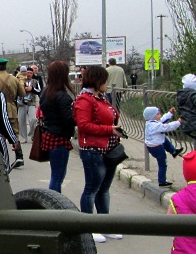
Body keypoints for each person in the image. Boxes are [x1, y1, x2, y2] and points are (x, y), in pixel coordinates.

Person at [72, 64, 123, 243]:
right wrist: (109, 129)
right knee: (92, 189)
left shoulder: (99, 97)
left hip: (107, 149)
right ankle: (88, 227)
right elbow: (83, 125)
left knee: (103, 189)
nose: (107, 84)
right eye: (105, 80)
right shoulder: (84, 100)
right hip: (92, 149)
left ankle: (104, 225)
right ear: (97, 80)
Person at [39, 61, 75, 193]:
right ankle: (54, 203)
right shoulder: (62, 96)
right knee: (58, 176)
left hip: (49, 134)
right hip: (60, 137)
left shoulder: (45, 93)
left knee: (56, 174)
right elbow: (68, 120)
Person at [0, 58, 25, 169]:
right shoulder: (13, 79)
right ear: (5, 66)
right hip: (12, 109)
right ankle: (19, 156)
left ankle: (2, 158)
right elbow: (22, 93)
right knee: (14, 133)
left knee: (0, 134)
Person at [144, 106, 183, 187]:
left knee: (164, 139)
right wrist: (178, 122)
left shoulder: (151, 123)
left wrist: (170, 113)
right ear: (153, 116)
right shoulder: (155, 126)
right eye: (158, 114)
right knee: (163, 164)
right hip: (157, 148)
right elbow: (168, 127)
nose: (160, 115)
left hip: (153, 146)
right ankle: (162, 181)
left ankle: (174, 151)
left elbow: (163, 119)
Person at [17, 67, 37, 143]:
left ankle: (32, 134)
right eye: (27, 72)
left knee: (33, 119)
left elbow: (39, 91)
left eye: (30, 73)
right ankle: (24, 138)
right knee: (21, 120)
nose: (28, 74)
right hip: (22, 103)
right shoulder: (20, 81)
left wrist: (31, 89)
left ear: (32, 74)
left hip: (31, 102)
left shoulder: (35, 81)